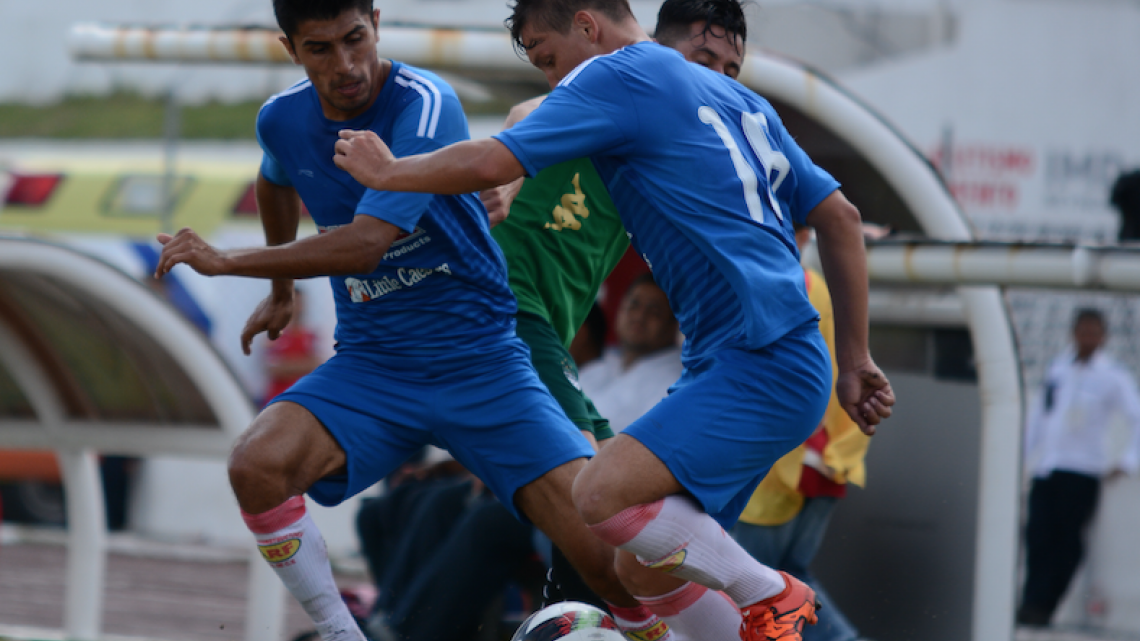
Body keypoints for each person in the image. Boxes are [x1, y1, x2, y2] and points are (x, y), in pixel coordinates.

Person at [331, 0, 896, 639]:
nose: (552, 78)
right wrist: (855, 361)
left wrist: (391, 172)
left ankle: (774, 593)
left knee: (599, 494)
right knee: (642, 569)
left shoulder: (619, 74)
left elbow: (496, 156)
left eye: (547, 57)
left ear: (587, 26)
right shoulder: (743, 104)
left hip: (756, 357)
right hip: (761, 365)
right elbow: (842, 218)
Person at [152, 1, 647, 639]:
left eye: (355, 39)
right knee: (255, 463)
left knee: (612, 561)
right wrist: (281, 290)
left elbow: (367, 243)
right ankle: (342, 631)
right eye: (320, 49)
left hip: (483, 364)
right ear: (290, 49)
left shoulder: (425, 102)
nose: (346, 64)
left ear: (377, 24)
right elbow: (275, 179)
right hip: (374, 366)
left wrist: (228, 260)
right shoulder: (281, 119)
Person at [731, 224, 872, 641]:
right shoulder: (820, 288)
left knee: (753, 589)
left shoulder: (775, 283)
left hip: (780, 466)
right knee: (788, 582)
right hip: (825, 460)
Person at [1017, 308, 1140, 627]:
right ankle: (1031, 602)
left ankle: (1044, 605)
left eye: (1093, 333)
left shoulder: (1113, 375)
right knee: (1037, 537)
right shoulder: (1059, 367)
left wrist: (1127, 461)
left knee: (1066, 542)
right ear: (1074, 333)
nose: (1087, 338)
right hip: (1049, 466)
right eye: (1082, 332)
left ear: (1102, 337)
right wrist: (1023, 458)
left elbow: (1136, 417)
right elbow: (1040, 418)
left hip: (1082, 469)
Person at [579, 273, 682, 433]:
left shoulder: (676, 382)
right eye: (634, 305)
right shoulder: (605, 362)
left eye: (654, 311)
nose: (639, 317)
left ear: (673, 324)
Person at [262, 286, 323, 405]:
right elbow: (273, 368)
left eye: (299, 303)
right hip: (278, 399)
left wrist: (287, 364)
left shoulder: (311, 335)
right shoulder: (273, 334)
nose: (297, 308)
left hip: (305, 399)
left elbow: (318, 366)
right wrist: (303, 363)